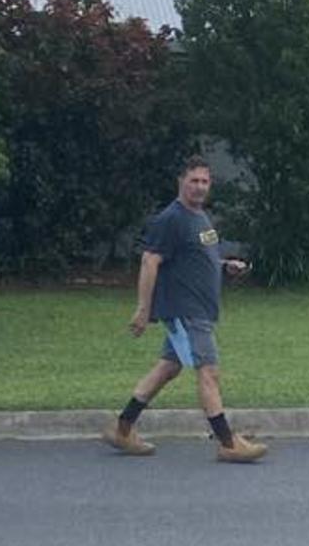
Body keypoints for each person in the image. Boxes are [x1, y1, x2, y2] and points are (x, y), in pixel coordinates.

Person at [103, 156, 268, 463]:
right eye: (194, 181)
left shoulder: (199, 217)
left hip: (199, 309)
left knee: (169, 367)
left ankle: (122, 429)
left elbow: (195, 258)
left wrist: (224, 266)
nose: (200, 187)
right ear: (181, 182)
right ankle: (228, 442)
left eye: (205, 181)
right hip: (186, 311)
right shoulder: (172, 218)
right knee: (209, 371)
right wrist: (143, 309)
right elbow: (150, 261)